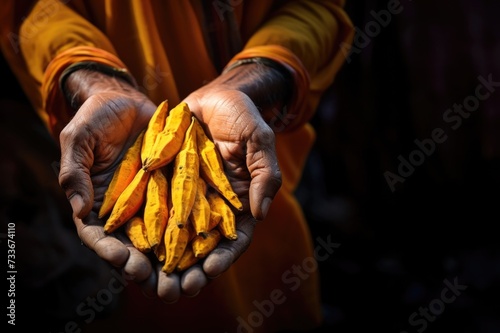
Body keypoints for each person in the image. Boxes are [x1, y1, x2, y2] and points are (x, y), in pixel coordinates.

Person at [0, 1, 354, 332]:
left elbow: (318, 9)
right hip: (115, 156)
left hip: (248, 173)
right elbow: (30, 10)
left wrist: (246, 82)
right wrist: (93, 81)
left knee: (267, 298)